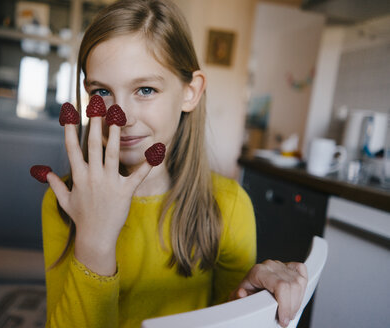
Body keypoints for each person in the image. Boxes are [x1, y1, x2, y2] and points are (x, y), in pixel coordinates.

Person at [38, 0, 307, 327]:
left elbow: (227, 316)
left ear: (189, 93)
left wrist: (250, 301)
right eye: (102, 91)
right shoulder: (64, 201)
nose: (120, 117)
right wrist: (94, 242)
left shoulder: (229, 205)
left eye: (145, 89)